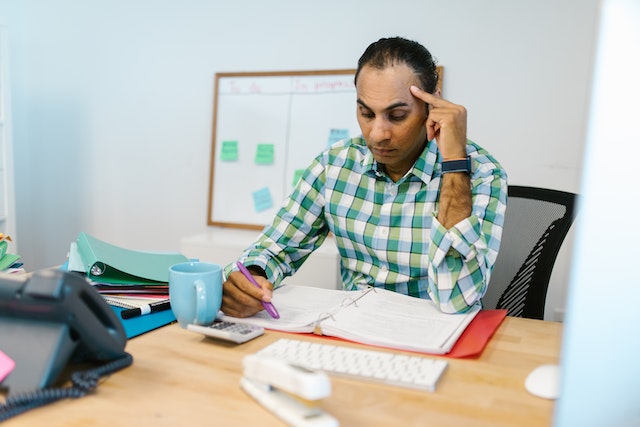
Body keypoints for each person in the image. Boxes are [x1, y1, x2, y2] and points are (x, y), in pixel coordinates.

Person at [221, 37, 507, 317]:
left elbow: (456, 299)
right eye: (366, 113)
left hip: (435, 339)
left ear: (432, 105)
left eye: (396, 115)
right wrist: (252, 277)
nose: (377, 134)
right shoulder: (334, 165)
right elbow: (275, 248)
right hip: (352, 331)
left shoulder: (482, 173)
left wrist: (454, 164)